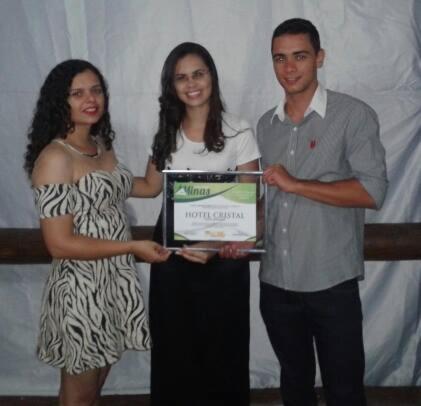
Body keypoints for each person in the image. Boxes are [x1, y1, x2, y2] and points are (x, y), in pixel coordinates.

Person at [256, 18, 388, 406]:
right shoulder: (266, 125)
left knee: (344, 391)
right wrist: (237, 235)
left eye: (300, 56)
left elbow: (372, 190)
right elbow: (270, 200)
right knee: (294, 388)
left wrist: (296, 184)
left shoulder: (353, 115)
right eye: (280, 58)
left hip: (331, 284)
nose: (289, 67)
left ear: (320, 57)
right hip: (276, 284)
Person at [24, 59, 170, 406]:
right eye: (77, 93)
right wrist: (132, 246)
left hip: (112, 281)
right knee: (78, 398)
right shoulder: (55, 158)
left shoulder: (99, 144)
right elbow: (59, 244)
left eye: (96, 90)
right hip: (82, 289)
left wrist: (163, 142)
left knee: (92, 392)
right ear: (59, 101)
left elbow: (149, 187)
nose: (90, 99)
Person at [134, 42, 260, 405]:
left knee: (224, 352)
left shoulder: (238, 130)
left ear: (212, 77)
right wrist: (102, 173)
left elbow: (250, 201)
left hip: (224, 257)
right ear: (171, 85)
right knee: (174, 352)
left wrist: (215, 246)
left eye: (198, 74)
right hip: (172, 259)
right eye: (181, 77)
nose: (191, 84)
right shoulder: (165, 131)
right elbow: (150, 186)